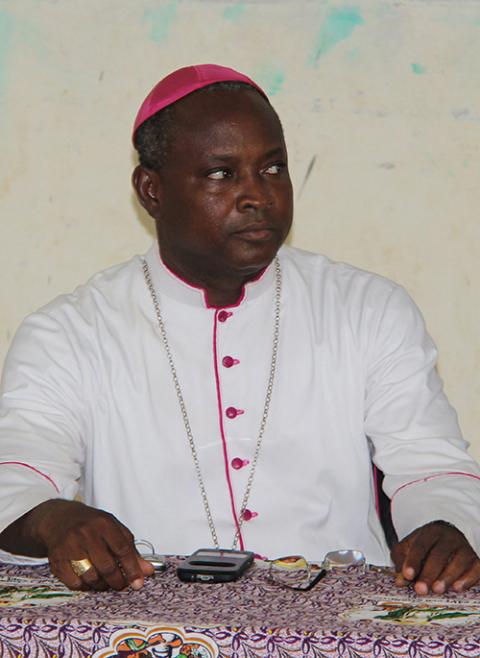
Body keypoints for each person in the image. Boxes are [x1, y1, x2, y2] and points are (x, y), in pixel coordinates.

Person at [0, 64, 479, 596]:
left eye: (273, 169)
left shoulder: (367, 308)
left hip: (339, 632)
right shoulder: (68, 334)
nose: (258, 195)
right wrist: (55, 520)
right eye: (222, 174)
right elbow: (17, 475)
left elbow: (430, 464)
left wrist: (445, 527)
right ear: (151, 190)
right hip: (152, 631)